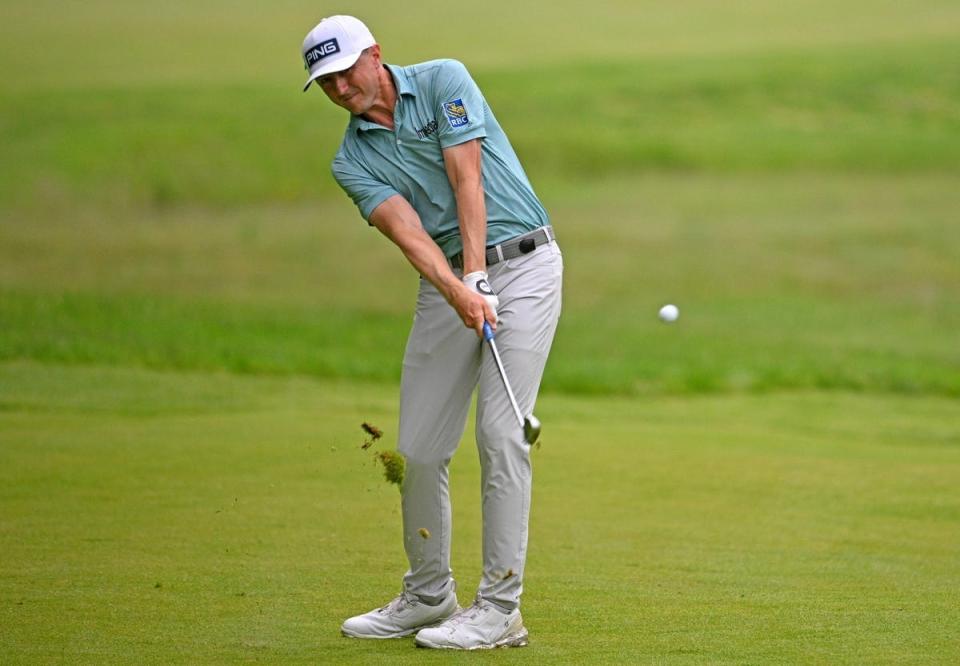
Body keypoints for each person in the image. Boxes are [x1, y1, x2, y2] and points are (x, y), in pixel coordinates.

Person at [301, 15, 562, 650]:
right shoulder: (351, 158)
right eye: (324, 82)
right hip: (446, 282)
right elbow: (409, 233)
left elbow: (465, 176)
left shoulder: (445, 79)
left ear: (375, 56)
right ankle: (427, 596)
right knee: (417, 449)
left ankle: (500, 611)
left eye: (343, 72)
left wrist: (477, 274)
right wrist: (457, 288)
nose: (338, 89)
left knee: (502, 436)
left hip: (523, 265)